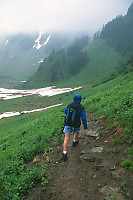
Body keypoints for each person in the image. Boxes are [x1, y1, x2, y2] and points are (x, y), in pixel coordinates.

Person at [63, 94, 88, 161]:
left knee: (66, 139)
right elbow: (84, 118)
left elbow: (65, 111)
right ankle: (74, 141)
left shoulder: (70, 105)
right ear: (80, 99)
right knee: (76, 131)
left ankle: (64, 154)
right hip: (76, 124)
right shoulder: (81, 107)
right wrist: (85, 127)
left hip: (68, 123)